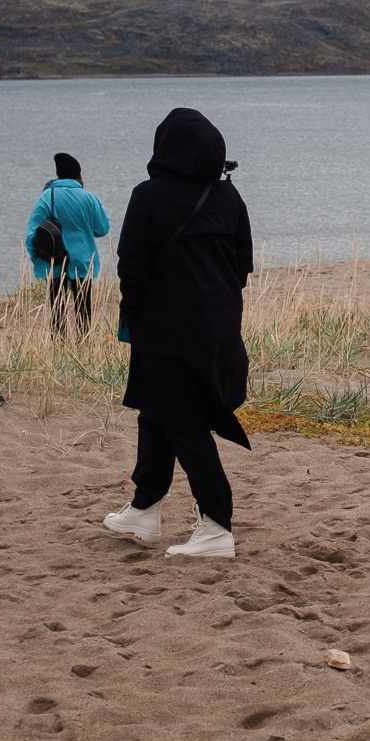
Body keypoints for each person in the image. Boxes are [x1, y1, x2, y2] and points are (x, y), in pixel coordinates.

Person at [103, 108, 254, 559]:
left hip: (165, 330)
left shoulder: (147, 196)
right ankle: (145, 509)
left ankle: (217, 525)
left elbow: (130, 265)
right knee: (157, 410)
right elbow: (242, 266)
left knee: (184, 423)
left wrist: (138, 318)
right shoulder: (230, 199)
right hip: (221, 328)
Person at [26, 152, 113, 335]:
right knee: (84, 311)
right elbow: (103, 228)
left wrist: (38, 258)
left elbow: (32, 234)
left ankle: (59, 350)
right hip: (82, 261)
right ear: (78, 175)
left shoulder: (47, 197)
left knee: (57, 312)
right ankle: (85, 348)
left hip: (54, 260)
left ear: (58, 175)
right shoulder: (89, 198)